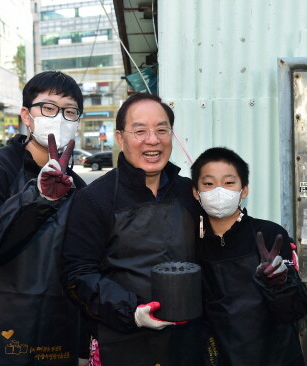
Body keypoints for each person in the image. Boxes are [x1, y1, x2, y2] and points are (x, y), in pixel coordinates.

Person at [0, 71, 88, 365]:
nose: (59, 118)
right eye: (49, 108)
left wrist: (84, 344)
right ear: (27, 115)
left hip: (57, 331)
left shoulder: (79, 187)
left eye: (69, 111)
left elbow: (85, 269)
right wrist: (37, 197)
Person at [61, 92, 203, 366]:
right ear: (119, 138)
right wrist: (132, 310)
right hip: (121, 341)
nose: (153, 140)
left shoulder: (190, 192)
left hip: (188, 342)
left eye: (162, 130)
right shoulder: (95, 199)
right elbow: (78, 274)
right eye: (140, 131)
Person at [191, 147, 307, 366]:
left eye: (228, 183)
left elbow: (295, 311)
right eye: (208, 184)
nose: (219, 191)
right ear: (196, 192)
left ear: (243, 190)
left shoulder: (271, 236)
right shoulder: (190, 243)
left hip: (276, 357)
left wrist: (279, 284)